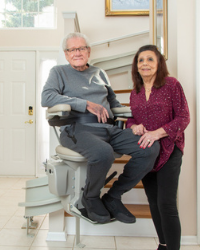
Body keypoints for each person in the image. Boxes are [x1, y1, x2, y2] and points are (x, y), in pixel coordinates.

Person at [41, 32, 160, 224]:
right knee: (103, 152)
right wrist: (85, 103)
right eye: (72, 49)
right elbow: (46, 98)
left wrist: (134, 121)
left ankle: (113, 196)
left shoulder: (100, 73)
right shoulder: (59, 72)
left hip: (109, 129)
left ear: (88, 51)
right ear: (66, 54)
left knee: (149, 148)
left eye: (81, 48)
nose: (77, 53)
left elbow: (113, 102)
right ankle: (90, 197)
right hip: (77, 128)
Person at [126, 45, 190, 250]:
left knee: (166, 204)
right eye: (141, 60)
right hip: (146, 153)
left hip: (170, 149)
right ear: (136, 66)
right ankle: (162, 245)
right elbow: (131, 120)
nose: (145, 63)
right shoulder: (134, 92)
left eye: (150, 59)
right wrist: (134, 126)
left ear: (159, 63)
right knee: (153, 202)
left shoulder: (172, 85)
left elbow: (183, 117)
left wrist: (157, 132)